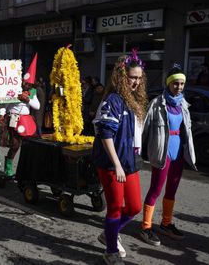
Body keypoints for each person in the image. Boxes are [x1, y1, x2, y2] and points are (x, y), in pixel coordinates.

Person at [92, 50, 147, 265]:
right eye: (132, 77)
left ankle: (109, 233)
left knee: (134, 207)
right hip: (112, 163)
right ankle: (111, 249)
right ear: (123, 77)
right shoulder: (113, 100)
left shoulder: (133, 100)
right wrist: (117, 165)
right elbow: (105, 134)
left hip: (129, 161)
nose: (136, 81)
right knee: (115, 207)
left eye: (139, 77)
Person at [139, 64, 197, 246]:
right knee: (156, 189)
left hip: (178, 153)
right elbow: (145, 129)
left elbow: (186, 130)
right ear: (168, 83)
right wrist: (141, 152)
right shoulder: (156, 103)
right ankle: (146, 227)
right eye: (175, 83)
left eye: (181, 84)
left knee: (172, 190)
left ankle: (166, 223)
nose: (178, 87)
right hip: (162, 153)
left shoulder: (183, 104)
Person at [0, 54, 40, 177]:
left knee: (28, 145)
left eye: (28, 83)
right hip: (13, 119)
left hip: (26, 120)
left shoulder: (32, 92)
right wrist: (1, 116)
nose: (26, 84)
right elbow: (4, 105)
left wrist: (27, 100)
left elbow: (37, 106)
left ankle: (26, 169)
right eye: (24, 82)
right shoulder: (13, 90)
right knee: (15, 144)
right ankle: (9, 167)